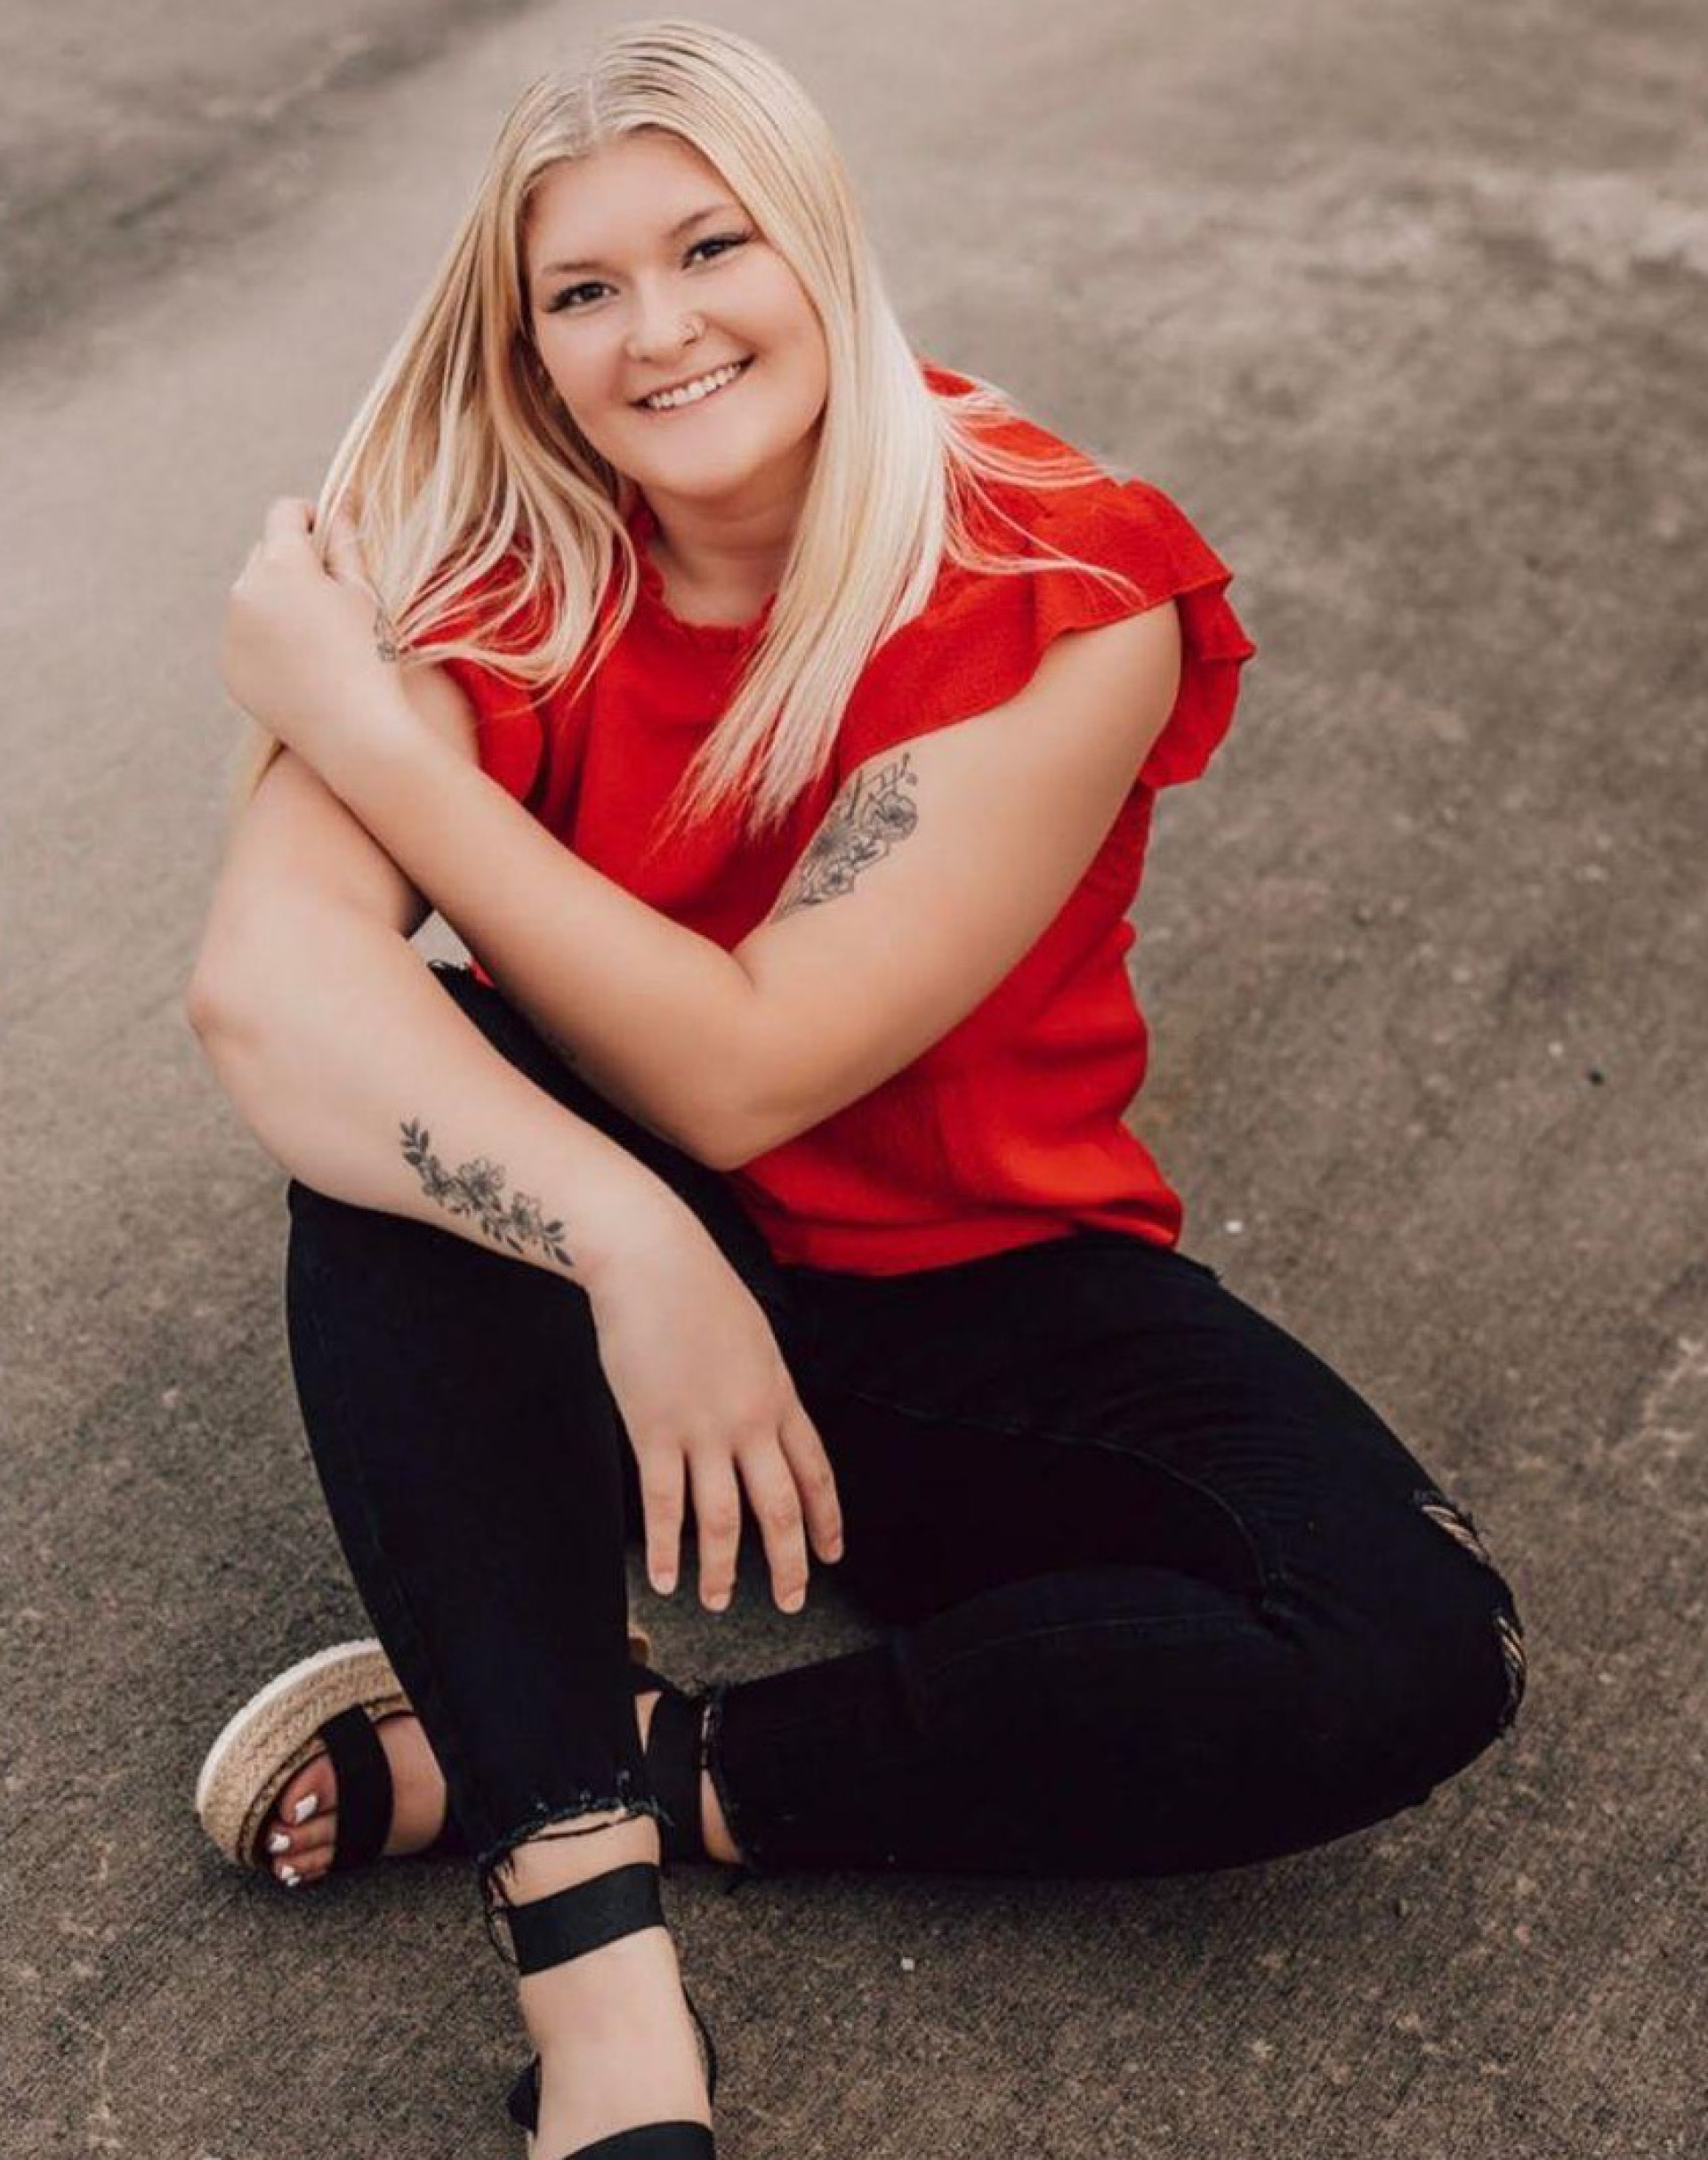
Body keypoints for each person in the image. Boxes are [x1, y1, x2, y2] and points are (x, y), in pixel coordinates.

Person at [185, 19, 1527, 2160]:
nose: (663, 332)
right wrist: (624, 1238)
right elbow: (264, 991)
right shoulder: (485, 564)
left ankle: (636, 1748)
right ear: (527, 342)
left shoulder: (1062, 583)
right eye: (585, 288)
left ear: (821, 242)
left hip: (976, 1281)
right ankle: (597, 1964)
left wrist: (368, 741)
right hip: (628, 1321)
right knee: (417, 1100)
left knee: (1403, 1641)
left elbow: (746, 1064)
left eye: (712, 246)